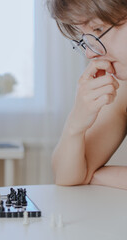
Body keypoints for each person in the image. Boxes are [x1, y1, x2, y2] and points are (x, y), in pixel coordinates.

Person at [47, 0, 127, 189]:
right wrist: (76, 122)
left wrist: (99, 176)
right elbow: (67, 176)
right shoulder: (123, 90)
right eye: (85, 37)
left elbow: (85, 175)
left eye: (98, 30)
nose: (90, 53)